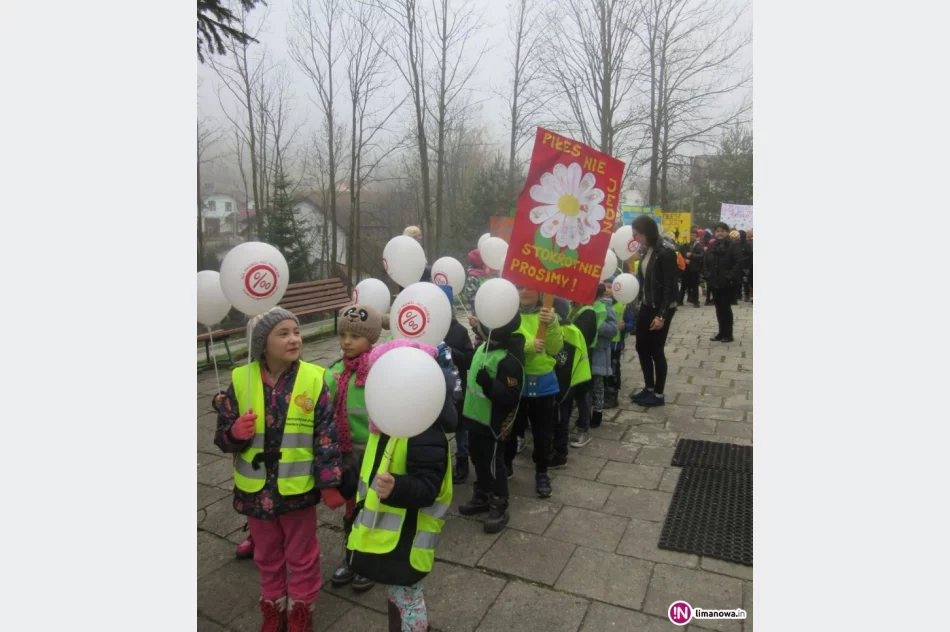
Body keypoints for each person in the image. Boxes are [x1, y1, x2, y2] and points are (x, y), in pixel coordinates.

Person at [214, 307, 345, 632]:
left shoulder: (314, 379)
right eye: (283, 333)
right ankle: (273, 607)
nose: (294, 339)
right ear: (262, 343)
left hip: (297, 490)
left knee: (302, 555)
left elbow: (326, 435)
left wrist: (329, 482)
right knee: (268, 556)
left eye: (296, 332)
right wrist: (234, 434)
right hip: (256, 492)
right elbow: (222, 434)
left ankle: (301, 609)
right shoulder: (240, 380)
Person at [345, 338, 457, 632]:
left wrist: (398, 488)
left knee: (407, 598)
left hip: (408, 539)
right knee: (399, 598)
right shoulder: (384, 425)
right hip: (385, 538)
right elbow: (367, 466)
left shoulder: (425, 431)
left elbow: (430, 487)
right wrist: (342, 480)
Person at [324, 304, 383, 593]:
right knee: (351, 507)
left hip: (373, 453)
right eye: (343, 334)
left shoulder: (379, 370)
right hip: (346, 453)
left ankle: (369, 558)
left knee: (372, 506)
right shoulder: (334, 373)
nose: (347, 341)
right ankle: (350, 556)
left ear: (371, 339)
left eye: (355, 336)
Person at [458, 312, 525, 533]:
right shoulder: (483, 348)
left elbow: (511, 397)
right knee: (477, 458)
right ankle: (483, 494)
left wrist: (490, 385)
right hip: (475, 419)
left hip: (494, 424)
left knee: (494, 464)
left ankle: (499, 501)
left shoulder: (508, 359)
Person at [495, 286, 562, 498]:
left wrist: (550, 324)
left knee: (543, 433)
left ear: (540, 292)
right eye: (519, 287)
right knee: (510, 430)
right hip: (515, 383)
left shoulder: (549, 315)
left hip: (543, 383)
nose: (524, 291)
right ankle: (506, 465)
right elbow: (502, 347)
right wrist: (528, 347)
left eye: (529, 287)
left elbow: (555, 348)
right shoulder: (507, 316)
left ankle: (542, 472)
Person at [629, 215, 679, 408]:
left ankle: (658, 394)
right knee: (641, 347)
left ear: (646, 233)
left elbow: (669, 287)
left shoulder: (665, 253)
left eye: (636, 235)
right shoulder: (646, 250)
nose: (634, 239)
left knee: (656, 350)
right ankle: (648, 388)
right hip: (646, 305)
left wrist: (661, 315)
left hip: (661, 308)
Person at [569, 283, 618, 446]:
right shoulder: (578, 307)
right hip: (585, 353)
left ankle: (597, 412)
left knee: (597, 383)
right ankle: (585, 416)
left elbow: (613, 329)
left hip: (597, 353)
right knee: (585, 387)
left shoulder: (605, 308)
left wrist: (597, 324)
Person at [437, 285, 476, 483]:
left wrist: (451, 351)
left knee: (461, 424)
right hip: (432, 388)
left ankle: (462, 458)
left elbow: (469, 359)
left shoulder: (458, 330)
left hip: (456, 387)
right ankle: (438, 461)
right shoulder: (422, 329)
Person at [552, 297, 591, 460]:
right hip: (564, 381)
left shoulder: (569, 332)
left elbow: (563, 361)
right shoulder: (563, 329)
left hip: (567, 383)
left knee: (562, 417)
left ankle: (559, 451)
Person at [703, 222, 743, 343]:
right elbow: (705, 261)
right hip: (714, 282)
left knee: (726, 308)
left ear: (727, 232)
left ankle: (728, 334)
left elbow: (738, 262)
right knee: (718, 308)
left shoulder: (733, 245)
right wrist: (707, 275)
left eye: (722, 231)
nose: (720, 233)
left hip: (727, 282)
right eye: (718, 231)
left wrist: (730, 275)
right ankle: (721, 332)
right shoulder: (712, 245)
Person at [682, 228, 705, 307]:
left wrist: (691, 256)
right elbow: (680, 254)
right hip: (685, 267)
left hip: (695, 268)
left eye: (694, 235)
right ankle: (680, 300)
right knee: (684, 284)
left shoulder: (698, 245)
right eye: (691, 235)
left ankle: (696, 301)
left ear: (696, 236)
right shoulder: (684, 244)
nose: (692, 237)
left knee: (695, 285)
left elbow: (701, 256)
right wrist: (684, 260)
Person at [739, 229, 753, 302]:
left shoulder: (747, 244)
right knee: (741, 280)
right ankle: (741, 295)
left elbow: (749, 254)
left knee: (746, 280)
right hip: (740, 265)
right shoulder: (737, 243)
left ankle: (748, 295)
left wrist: (742, 259)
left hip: (746, 265)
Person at [729, 229, 741, 305]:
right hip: (735, 266)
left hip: (732, 265)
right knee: (735, 283)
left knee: (733, 283)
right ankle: (735, 298)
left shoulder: (732, 245)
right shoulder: (738, 244)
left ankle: (733, 298)